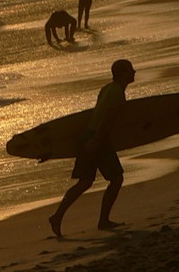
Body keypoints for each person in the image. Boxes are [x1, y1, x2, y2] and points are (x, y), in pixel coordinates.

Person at [48, 59, 136, 238]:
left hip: (88, 136)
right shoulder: (117, 93)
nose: (134, 72)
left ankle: (57, 217)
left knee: (85, 182)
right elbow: (107, 117)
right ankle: (103, 220)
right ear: (122, 74)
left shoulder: (106, 89)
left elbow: (94, 115)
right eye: (130, 70)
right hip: (97, 139)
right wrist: (97, 140)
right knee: (116, 178)